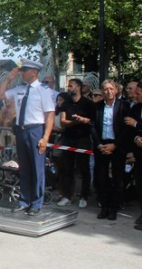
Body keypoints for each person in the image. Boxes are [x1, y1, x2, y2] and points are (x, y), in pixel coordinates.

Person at [0, 59, 55, 216]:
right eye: (22, 70)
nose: (22, 73)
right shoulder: (19, 89)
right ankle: (24, 201)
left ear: (34, 73)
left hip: (35, 130)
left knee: (37, 169)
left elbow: (50, 115)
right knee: (24, 169)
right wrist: (9, 79)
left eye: (25, 70)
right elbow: (1, 94)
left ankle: (36, 203)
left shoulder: (43, 91)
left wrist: (45, 138)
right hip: (21, 130)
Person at [89, 79, 132, 221]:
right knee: (102, 178)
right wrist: (100, 145)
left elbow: (126, 129)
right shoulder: (97, 107)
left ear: (116, 90)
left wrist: (115, 145)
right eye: (106, 89)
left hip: (117, 145)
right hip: (102, 145)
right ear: (102, 91)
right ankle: (104, 207)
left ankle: (114, 208)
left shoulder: (123, 106)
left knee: (118, 179)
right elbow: (93, 127)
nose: (109, 92)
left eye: (111, 89)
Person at [57, 78, 94, 208]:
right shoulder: (66, 103)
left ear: (78, 87)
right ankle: (67, 195)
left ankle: (84, 196)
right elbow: (63, 122)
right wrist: (76, 122)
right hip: (68, 139)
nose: (68, 88)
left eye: (71, 85)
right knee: (67, 168)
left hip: (83, 139)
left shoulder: (88, 104)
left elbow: (92, 121)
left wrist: (83, 120)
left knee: (84, 169)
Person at [123, 81, 142, 230]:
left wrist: (136, 125)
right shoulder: (135, 108)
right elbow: (129, 130)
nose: (135, 95)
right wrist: (135, 138)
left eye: (138, 93)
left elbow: (134, 125)